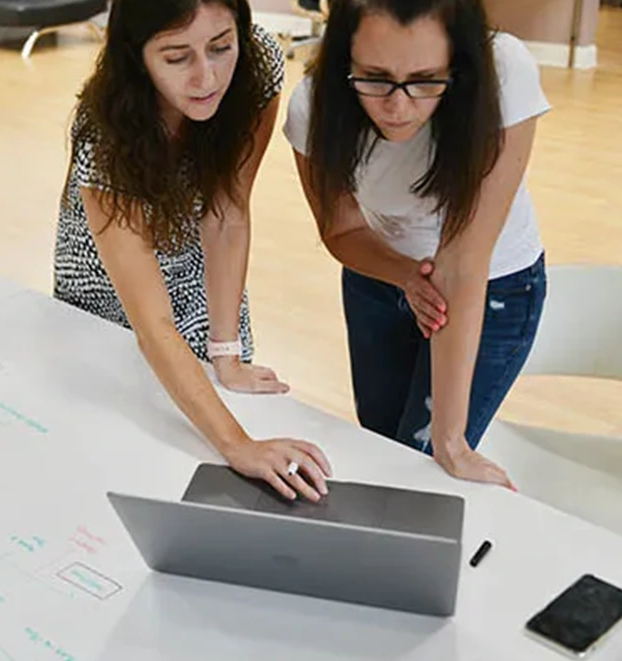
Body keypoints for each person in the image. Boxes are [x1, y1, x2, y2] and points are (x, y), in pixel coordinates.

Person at [55, 0, 332, 501]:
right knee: (128, 459)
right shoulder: (104, 134)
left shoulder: (257, 64)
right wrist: (237, 444)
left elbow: (228, 211)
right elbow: (151, 327)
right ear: (136, 58)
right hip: (112, 293)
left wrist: (226, 355)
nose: (207, 77)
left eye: (220, 47)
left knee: (223, 403)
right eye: (177, 57)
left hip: (200, 271)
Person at [285, 0, 550, 489]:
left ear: (459, 62)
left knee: (421, 464)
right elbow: (341, 230)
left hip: (491, 284)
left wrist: (451, 443)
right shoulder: (314, 105)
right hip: (379, 279)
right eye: (375, 77)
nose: (398, 106)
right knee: (383, 447)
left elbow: (463, 260)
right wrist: (404, 275)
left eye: (427, 79)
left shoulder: (503, 72)